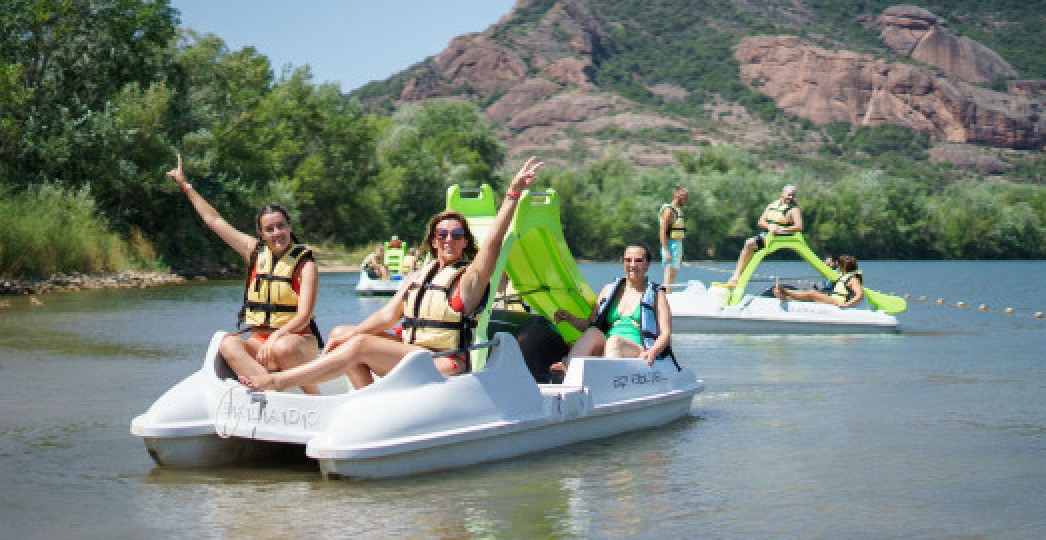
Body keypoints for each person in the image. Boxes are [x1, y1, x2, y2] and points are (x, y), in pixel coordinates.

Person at [239, 157, 544, 391]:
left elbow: (493, 242)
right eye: (442, 234)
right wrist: (341, 340)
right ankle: (368, 399)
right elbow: (386, 317)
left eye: (456, 234)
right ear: (433, 240)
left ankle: (279, 382)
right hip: (413, 354)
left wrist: (512, 195)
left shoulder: (470, 279)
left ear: (465, 241)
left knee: (358, 346)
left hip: (443, 363)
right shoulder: (418, 277)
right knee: (341, 335)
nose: (448, 239)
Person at [166, 153, 322, 392]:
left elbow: (304, 316)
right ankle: (268, 392)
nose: (277, 232)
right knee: (227, 344)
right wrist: (185, 185)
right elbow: (214, 220)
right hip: (261, 341)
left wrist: (276, 337)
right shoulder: (254, 252)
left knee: (283, 349)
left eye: (281, 226)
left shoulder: (305, 264)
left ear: (290, 227)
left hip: (298, 341)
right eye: (269, 229)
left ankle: (315, 399)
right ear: (261, 234)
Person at [551, 243, 674, 370]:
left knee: (615, 341)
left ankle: (608, 378)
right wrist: (569, 318)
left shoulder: (657, 295)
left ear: (647, 264)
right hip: (607, 349)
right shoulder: (608, 290)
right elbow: (589, 325)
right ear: (622, 262)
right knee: (593, 332)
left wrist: (652, 352)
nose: (632, 265)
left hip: (637, 350)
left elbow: (665, 334)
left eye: (638, 260)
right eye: (628, 260)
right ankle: (569, 370)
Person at [728, 184, 803, 286]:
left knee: (750, 243)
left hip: (780, 237)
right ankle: (737, 275)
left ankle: (737, 276)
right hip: (768, 234)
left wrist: (781, 229)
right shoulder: (772, 205)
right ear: (782, 194)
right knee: (748, 244)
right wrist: (769, 227)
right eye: (789, 195)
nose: (791, 198)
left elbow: (799, 227)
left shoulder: (794, 209)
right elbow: (760, 222)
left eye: (793, 195)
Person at [774, 255, 865, 308]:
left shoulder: (853, 279)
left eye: (839, 265)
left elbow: (860, 295)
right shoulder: (843, 276)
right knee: (811, 294)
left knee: (812, 294)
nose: (838, 267)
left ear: (844, 267)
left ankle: (785, 291)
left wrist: (847, 305)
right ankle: (786, 298)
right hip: (833, 298)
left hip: (838, 301)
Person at [658, 185, 689, 291]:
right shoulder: (669, 211)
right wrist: (666, 251)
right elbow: (662, 232)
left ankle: (669, 296)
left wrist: (680, 253)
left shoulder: (678, 210)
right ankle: (665, 297)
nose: (686, 200)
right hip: (670, 245)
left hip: (677, 246)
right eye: (684, 198)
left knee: (673, 275)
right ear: (677, 196)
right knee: (669, 274)